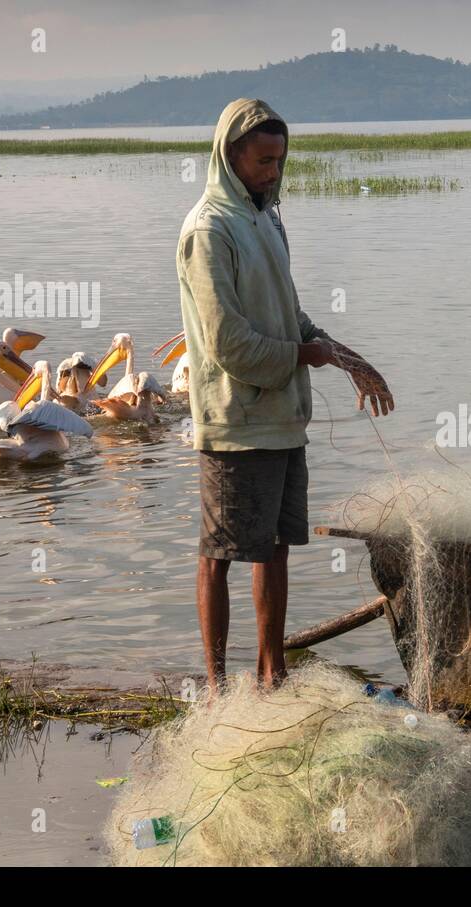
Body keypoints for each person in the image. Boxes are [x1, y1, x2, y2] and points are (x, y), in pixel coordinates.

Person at [178, 97, 395, 694]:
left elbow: (290, 315)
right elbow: (228, 343)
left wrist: (350, 359)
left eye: (279, 161)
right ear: (230, 156)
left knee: (275, 546)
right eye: (262, 161)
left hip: (281, 416)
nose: (272, 173)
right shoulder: (209, 229)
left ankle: (272, 671)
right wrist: (305, 357)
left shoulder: (266, 219)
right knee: (220, 552)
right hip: (234, 417)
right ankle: (217, 687)